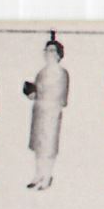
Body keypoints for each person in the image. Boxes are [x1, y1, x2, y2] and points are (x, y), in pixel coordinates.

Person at [24, 34, 69, 190]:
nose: (48, 54)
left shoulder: (61, 73)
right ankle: (38, 175)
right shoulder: (41, 72)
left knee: (49, 146)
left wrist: (48, 102)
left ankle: (47, 176)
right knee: (38, 145)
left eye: (51, 51)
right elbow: (36, 91)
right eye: (46, 51)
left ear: (58, 54)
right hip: (39, 112)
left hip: (52, 113)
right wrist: (31, 93)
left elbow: (62, 97)